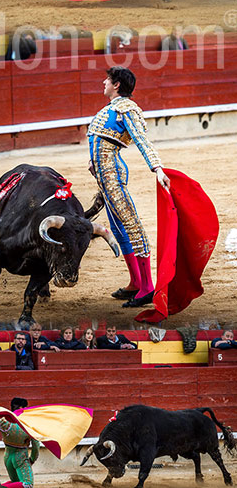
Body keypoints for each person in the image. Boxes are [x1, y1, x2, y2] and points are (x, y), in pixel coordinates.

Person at [88, 66, 171, 307]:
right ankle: (136, 281)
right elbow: (100, 141)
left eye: (108, 79)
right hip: (104, 175)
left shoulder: (127, 108)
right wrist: (93, 162)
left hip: (113, 174)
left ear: (117, 85)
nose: (103, 82)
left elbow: (142, 140)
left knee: (131, 224)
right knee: (118, 226)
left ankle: (148, 287)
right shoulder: (111, 109)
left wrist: (157, 168)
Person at [0, 397, 39, 488]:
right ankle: (2, 486)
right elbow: (36, 445)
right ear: (21, 407)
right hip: (20, 458)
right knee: (27, 485)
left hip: (7, 458)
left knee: (16, 481)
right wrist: (32, 459)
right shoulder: (28, 424)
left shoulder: (3, 422)